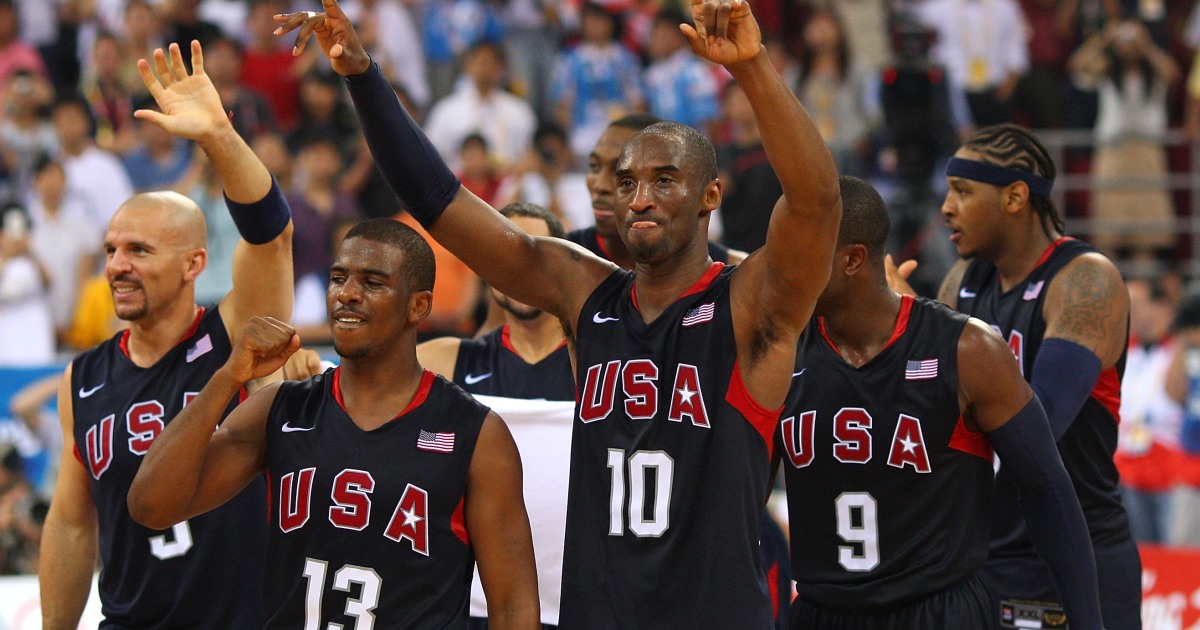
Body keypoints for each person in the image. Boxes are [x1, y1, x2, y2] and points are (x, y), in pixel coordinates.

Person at [278, 0, 840, 625]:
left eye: (664, 180)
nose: (639, 198)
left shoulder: (748, 303)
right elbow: (438, 201)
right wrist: (363, 76)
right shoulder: (585, 292)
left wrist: (754, 67)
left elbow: (816, 204)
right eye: (625, 183)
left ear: (710, 194)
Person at [127, 218, 541, 629]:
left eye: (372, 282)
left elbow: (513, 607)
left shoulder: (475, 433)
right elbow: (151, 506)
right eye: (338, 278)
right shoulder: (280, 409)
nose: (347, 294)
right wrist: (226, 377)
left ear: (418, 305)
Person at [38, 41, 295, 629]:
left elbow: (271, 238)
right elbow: (74, 523)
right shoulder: (83, 377)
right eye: (110, 250)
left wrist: (218, 138)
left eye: (139, 250)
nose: (117, 265)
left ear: (193, 264)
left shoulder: (236, 335)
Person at [783, 175, 1101, 628]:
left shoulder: (967, 349)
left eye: (795, 250)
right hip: (820, 611)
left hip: (937, 611)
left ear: (852, 259)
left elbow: (1046, 488)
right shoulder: (779, 350)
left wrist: (1088, 622)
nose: (779, 265)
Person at [888, 123, 1140, 630]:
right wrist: (900, 327)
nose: (946, 208)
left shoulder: (1086, 279)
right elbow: (925, 400)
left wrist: (921, 324)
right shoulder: (966, 281)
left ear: (1015, 197)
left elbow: (1040, 420)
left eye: (963, 191)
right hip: (987, 554)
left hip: (1077, 550)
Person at [419, 202, 574, 628]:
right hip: (470, 606)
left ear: (559, 264)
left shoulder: (601, 365)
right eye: (503, 259)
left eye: (531, 256)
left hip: (579, 603)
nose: (517, 273)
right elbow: (362, 379)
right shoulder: (449, 360)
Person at [573, 112, 746, 270]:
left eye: (662, 180)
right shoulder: (562, 262)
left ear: (710, 195)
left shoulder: (734, 273)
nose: (600, 186)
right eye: (594, 167)